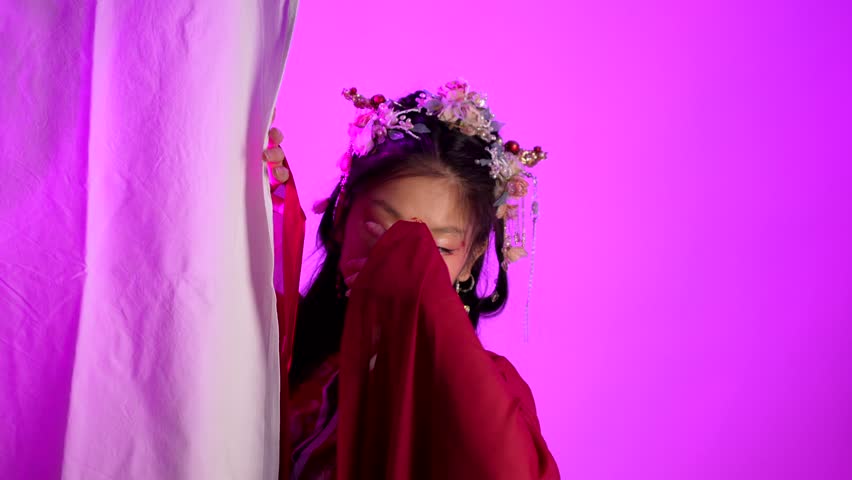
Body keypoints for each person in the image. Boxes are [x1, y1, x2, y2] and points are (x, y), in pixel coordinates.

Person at [263, 80, 559, 479]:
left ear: (471, 259)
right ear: (341, 218)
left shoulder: (490, 395)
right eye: (381, 230)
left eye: (436, 250)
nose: (399, 263)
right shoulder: (282, 346)